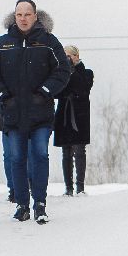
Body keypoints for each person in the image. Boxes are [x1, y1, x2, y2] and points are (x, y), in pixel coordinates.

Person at [0, 0, 70, 224]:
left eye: (27, 14)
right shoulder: (3, 43)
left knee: (40, 155)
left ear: (35, 16)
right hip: (12, 113)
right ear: (14, 17)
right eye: (19, 14)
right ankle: (22, 205)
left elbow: (63, 70)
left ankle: (40, 204)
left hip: (41, 114)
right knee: (17, 158)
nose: (23, 18)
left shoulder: (49, 42)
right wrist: (3, 95)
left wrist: (44, 92)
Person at [53, 45, 93, 196]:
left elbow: (82, 87)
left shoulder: (87, 73)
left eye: (68, 56)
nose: (66, 59)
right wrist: (64, 70)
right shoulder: (59, 73)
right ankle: (68, 188)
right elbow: (57, 91)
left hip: (79, 116)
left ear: (76, 56)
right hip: (63, 114)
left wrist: (71, 71)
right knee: (66, 152)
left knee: (79, 151)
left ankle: (80, 187)